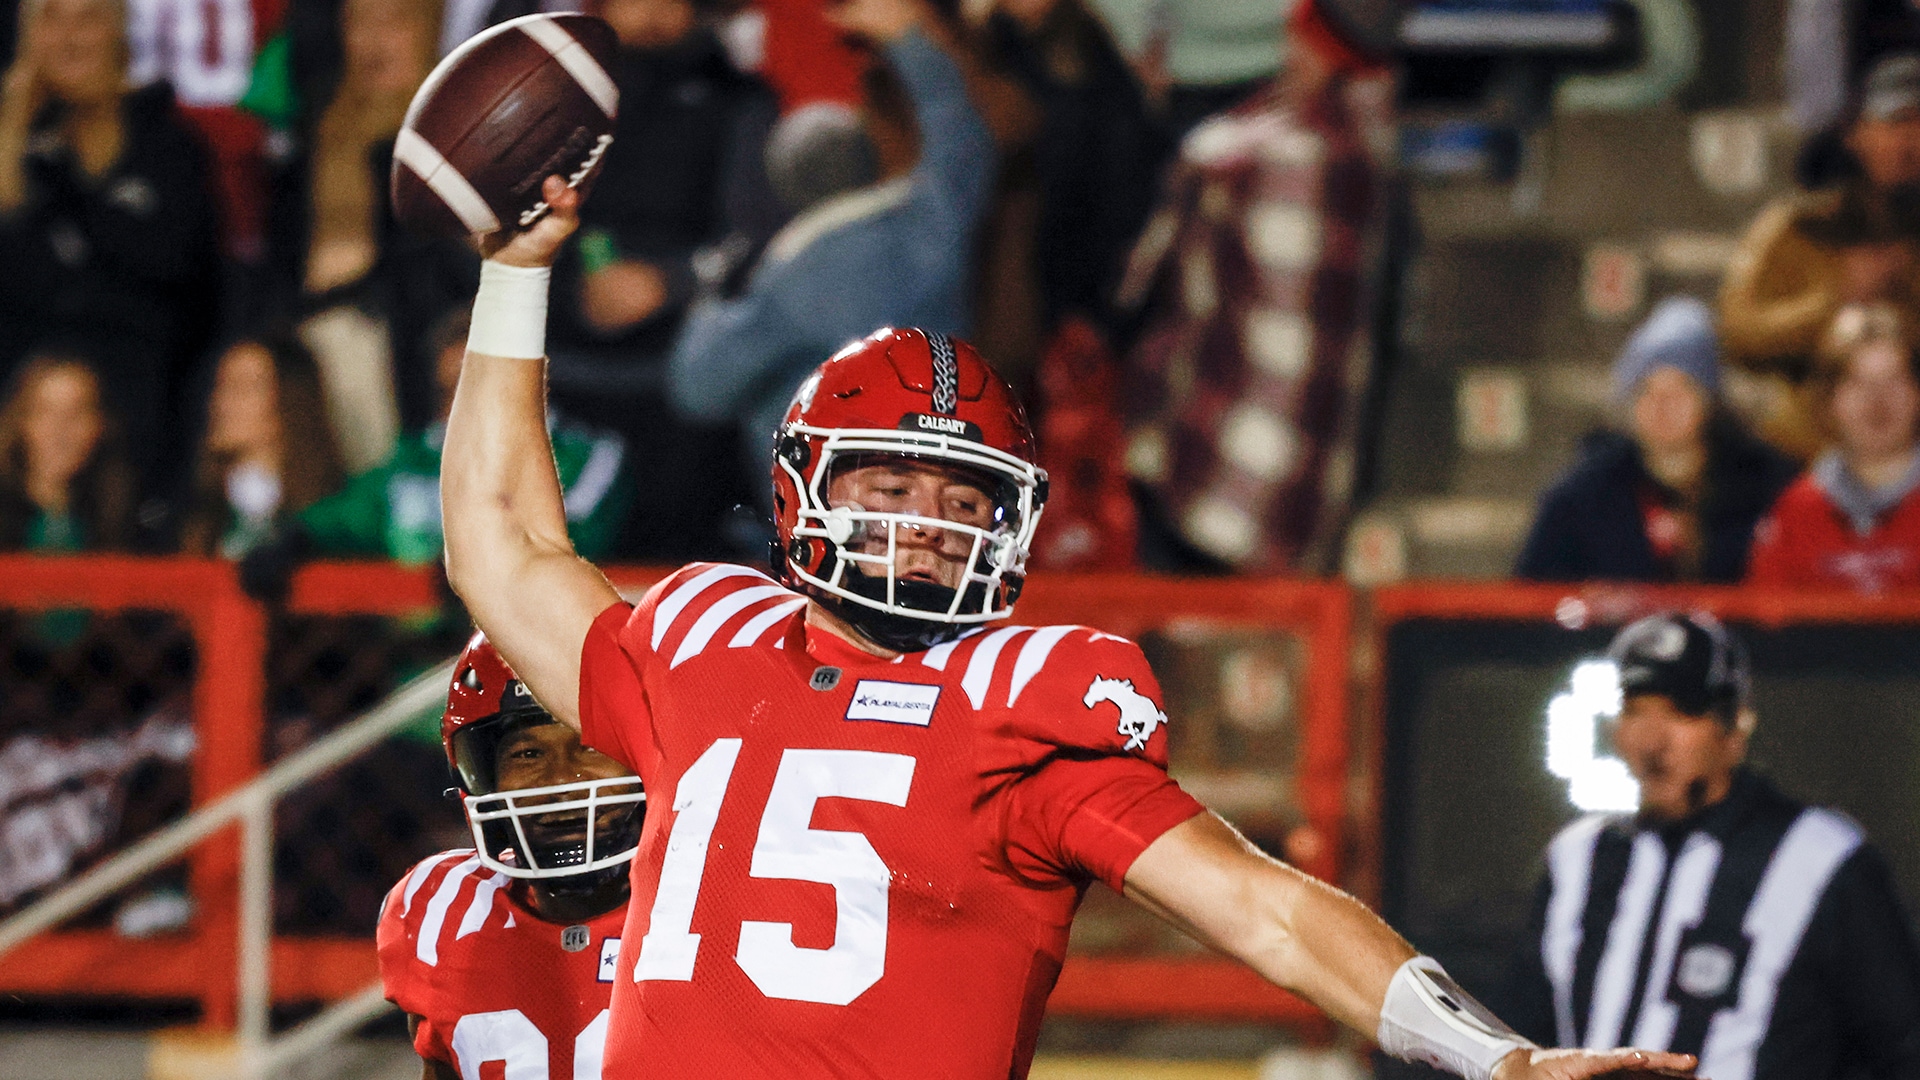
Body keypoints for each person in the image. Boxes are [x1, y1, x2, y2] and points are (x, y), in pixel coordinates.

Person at [434, 162, 1693, 1078]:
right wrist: (512, 276)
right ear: (806, 483)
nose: (927, 519)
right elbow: (504, 545)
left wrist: (1498, 1061)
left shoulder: (1021, 709)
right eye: (891, 483)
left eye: (961, 494)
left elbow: (1267, 909)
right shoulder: (705, 642)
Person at [1503, 612, 1920, 1079]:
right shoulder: (1576, 861)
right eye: (1635, 709)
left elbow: (1901, 1048)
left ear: (1733, 729)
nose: (1652, 740)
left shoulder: (1821, 860)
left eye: (1680, 712)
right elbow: (1517, 1041)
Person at [666, 0, 995, 478]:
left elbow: (698, 387)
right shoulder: (929, 226)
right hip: (941, 480)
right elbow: (962, 146)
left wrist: (709, 302)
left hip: (826, 513)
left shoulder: (797, 274)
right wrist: (913, 41)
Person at [378, 631, 645, 1080]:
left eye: (591, 745)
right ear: (482, 775)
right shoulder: (444, 908)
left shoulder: (719, 908)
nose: (560, 783)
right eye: (527, 753)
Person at [238, 310, 629, 597]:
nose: (461, 409)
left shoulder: (586, 458)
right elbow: (349, 515)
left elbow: (571, 537)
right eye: (449, 392)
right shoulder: (413, 463)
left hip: (531, 676)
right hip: (413, 673)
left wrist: (486, 557)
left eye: (480, 387)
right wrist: (295, 539)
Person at [0, 0, 220, 490]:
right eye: (53, 19)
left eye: (88, 19)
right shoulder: (10, 153)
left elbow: (185, 277)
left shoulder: (169, 147)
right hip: (14, 413)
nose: (70, 37)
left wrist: (72, 193)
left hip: (139, 413)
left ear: (119, 33)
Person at [1720, 51, 1920, 460]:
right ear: (1855, 133)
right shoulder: (1795, 229)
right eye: (1898, 121)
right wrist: (1837, 296)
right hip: (1804, 461)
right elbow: (1737, 332)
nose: (1912, 140)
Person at [1517, 298, 1798, 584]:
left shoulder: (1767, 488)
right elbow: (1530, 602)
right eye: (1645, 390)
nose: (1662, 405)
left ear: (1710, 401)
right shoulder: (1581, 497)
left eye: (1682, 388)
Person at [1747, 303, 1920, 592]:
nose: (1878, 401)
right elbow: (1767, 622)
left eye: (1894, 379)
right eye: (1858, 382)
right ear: (1829, 400)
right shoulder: (1795, 512)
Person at [177, 334, 343, 559]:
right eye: (221, 386)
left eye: (242, 388)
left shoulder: (329, 519)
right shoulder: (192, 517)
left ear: (290, 401)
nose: (220, 403)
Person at [0, 351, 132, 551]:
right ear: (21, 421)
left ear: (100, 425)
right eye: (45, 412)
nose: (60, 431)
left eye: (77, 413)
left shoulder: (120, 517)